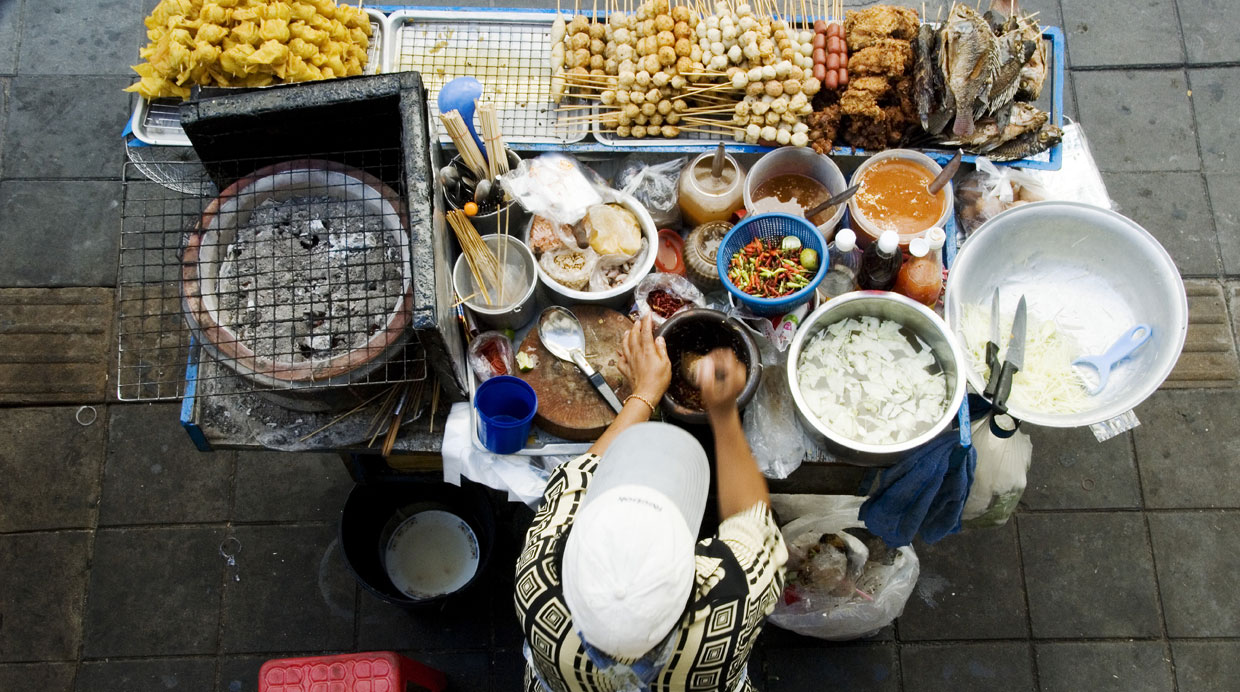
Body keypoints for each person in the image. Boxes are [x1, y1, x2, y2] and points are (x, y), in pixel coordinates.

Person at [514, 314, 788, 692]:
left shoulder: (538, 584)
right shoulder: (731, 609)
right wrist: (723, 413)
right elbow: (755, 524)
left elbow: (577, 478)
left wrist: (643, 394)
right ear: (695, 572)